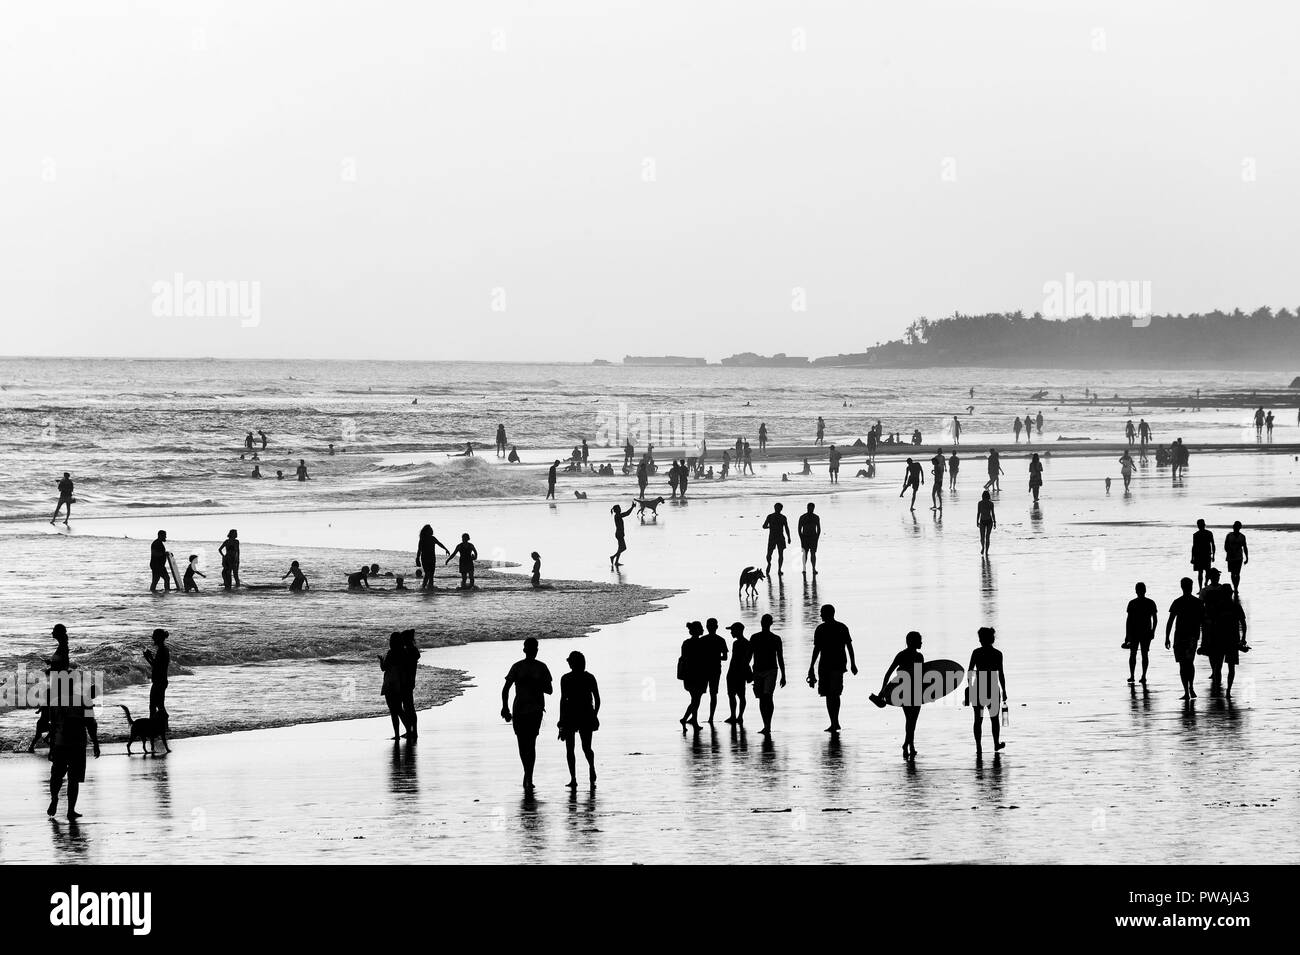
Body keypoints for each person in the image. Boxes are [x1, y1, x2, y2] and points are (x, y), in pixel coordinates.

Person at [501, 638, 553, 791]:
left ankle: (529, 776)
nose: (533, 651)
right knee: (522, 745)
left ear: (537, 650)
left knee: (531, 743)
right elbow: (506, 689)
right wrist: (505, 708)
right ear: (525, 650)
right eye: (530, 648)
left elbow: (550, 690)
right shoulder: (517, 667)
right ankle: (527, 773)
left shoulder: (542, 667)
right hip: (519, 710)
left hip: (535, 710)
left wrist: (535, 683)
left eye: (534, 648)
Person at [874, 631, 924, 760]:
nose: (921, 642)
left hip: (906, 691)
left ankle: (909, 745)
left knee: (911, 720)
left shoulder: (904, 655)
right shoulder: (917, 657)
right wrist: (882, 690)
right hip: (911, 691)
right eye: (919, 640)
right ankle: (908, 745)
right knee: (911, 720)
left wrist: (883, 689)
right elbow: (921, 677)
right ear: (912, 642)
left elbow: (888, 673)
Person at [807, 604, 857, 734]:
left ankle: (834, 722)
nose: (820, 615)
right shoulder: (839, 627)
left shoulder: (824, 629)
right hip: (830, 665)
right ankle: (834, 722)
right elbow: (849, 647)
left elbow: (848, 646)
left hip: (833, 665)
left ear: (828, 613)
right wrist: (811, 667)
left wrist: (853, 663)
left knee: (833, 694)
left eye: (822, 613)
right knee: (831, 694)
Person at [558, 651, 600, 789]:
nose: (569, 663)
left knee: (571, 748)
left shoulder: (566, 678)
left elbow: (563, 701)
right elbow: (597, 699)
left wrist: (561, 720)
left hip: (571, 714)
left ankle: (574, 778)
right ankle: (590, 768)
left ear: (573, 663)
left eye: (570, 661)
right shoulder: (589, 677)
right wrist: (594, 714)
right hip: (586, 713)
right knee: (586, 747)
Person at [965, 627, 1007, 755]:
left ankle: (978, 746)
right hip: (993, 687)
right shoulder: (998, 654)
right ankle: (996, 743)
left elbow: (970, 671)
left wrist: (970, 686)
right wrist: (1004, 690)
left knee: (978, 719)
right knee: (994, 719)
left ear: (981, 639)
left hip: (978, 686)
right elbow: (1001, 674)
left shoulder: (976, 652)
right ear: (992, 639)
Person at [1165, 577, 1204, 700]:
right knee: (1190, 663)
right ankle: (1191, 688)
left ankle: (1186, 691)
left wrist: (1167, 637)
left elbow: (1170, 621)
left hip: (1180, 637)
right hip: (1192, 637)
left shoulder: (1177, 602)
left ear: (1182, 587)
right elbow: (1204, 621)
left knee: (1183, 665)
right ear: (1191, 587)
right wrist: (1204, 639)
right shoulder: (1197, 602)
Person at [748, 614, 786, 735]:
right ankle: (766, 725)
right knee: (762, 698)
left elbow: (780, 657)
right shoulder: (756, 638)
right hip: (759, 670)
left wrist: (783, 675)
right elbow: (749, 655)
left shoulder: (774, 638)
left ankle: (767, 725)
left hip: (770, 670)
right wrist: (747, 670)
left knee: (767, 697)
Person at [1123, 582, 1158, 685]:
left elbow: (1128, 621)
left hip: (1134, 632)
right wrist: (1153, 631)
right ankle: (1143, 676)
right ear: (1145, 590)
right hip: (1146, 631)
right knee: (1144, 654)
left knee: (1133, 654)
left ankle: (1132, 676)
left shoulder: (1132, 603)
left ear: (1136, 591)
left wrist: (1127, 635)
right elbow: (1155, 620)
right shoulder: (1150, 602)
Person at [678, 621, 707, 729]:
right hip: (699, 675)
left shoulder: (686, 643)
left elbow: (683, 658)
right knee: (696, 699)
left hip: (688, 675)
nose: (703, 629)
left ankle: (693, 720)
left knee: (694, 699)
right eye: (701, 628)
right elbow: (704, 659)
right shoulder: (702, 643)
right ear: (698, 630)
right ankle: (685, 719)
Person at [700, 618, 729, 724]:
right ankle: (711, 717)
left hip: (703, 669)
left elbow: (698, 657)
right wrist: (716, 657)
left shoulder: (702, 640)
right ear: (716, 627)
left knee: (698, 694)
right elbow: (725, 657)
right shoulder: (721, 640)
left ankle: (694, 716)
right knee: (713, 694)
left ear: (707, 627)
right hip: (716, 669)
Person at [378, 632, 406, 739]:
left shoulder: (390, 654)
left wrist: (381, 660)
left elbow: (384, 668)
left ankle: (397, 735)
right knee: (399, 709)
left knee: (393, 711)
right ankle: (410, 730)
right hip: (399, 683)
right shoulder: (403, 653)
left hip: (390, 683)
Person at [723, 622, 752, 725]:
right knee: (738, 695)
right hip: (736, 672)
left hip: (736, 672)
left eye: (732, 630)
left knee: (736, 695)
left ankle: (736, 716)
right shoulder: (745, 643)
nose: (731, 632)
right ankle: (737, 716)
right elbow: (747, 660)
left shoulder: (740, 644)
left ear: (738, 631)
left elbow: (743, 660)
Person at [143, 628, 170, 721]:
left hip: (159, 681)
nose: (153, 639)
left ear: (158, 638)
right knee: (159, 705)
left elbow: (156, 666)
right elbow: (158, 665)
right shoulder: (163, 649)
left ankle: (154, 726)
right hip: (161, 681)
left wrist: (147, 657)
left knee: (153, 706)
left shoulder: (162, 650)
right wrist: (150, 657)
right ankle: (163, 726)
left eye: (154, 637)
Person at [416, 524, 451, 590]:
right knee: (427, 574)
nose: (431, 530)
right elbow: (419, 550)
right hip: (425, 558)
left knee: (431, 575)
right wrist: (417, 558)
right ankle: (423, 587)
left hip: (432, 558)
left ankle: (430, 588)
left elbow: (439, 543)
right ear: (426, 531)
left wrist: (446, 549)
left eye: (431, 529)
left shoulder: (433, 538)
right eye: (429, 530)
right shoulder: (422, 539)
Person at [762, 502, 791, 576]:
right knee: (769, 554)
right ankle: (769, 564)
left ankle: (779, 569)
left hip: (780, 537)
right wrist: (769, 527)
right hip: (772, 537)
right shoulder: (770, 516)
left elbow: (786, 528)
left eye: (778, 508)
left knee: (780, 554)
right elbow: (764, 526)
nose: (777, 509)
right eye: (776, 508)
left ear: (781, 509)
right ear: (774, 508)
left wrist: (789, 537)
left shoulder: (783, 517)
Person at [1224, 521, 1249, 593]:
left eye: (1237, 527)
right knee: (1232, 573)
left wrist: (1247, 557)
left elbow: (1245, 547)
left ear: (1239, 527)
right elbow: (1225, 546)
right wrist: (1229, 551)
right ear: (1233, 527)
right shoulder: (1229, 535)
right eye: (1235, 527)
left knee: (1237, 573)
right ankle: (1235, 586)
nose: (1236, 528)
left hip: (1239, 557)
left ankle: (1236, 587)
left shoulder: (1242, 536)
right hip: (1231, 557)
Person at [608, 502, 636, 568]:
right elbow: (627, 513)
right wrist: (632, 507)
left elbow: (626, 513)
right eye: (619, 508)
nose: (620, 509)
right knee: (623, 548)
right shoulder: (618, 515)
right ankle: (613, 557)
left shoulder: (617, 515)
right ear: (617, 510)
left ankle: (616, 562)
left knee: (620, 548)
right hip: (619, 534)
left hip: (619, 533)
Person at [797, 502, 821, 576]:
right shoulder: (802, 517)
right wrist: (801, 538)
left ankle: (813, 568)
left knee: (813, 553)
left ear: (814, 508)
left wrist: (817, 537)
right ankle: (804, 568)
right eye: (809, 508)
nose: (811, 509)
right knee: (805, 554)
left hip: (813, 537)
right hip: (805, 537)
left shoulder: (816, 517)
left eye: (812, 508)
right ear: (807, 508)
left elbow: (819, 528)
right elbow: (799, 528)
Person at [1191, 518, 1215, 589]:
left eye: (1201, 525)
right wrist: (1192, 557)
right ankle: (1201, 587)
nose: (1200, 526)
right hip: (1200, 555)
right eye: (1199, 525)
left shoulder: (1208, 533)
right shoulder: (1196, 535)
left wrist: (1213, 555)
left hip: (1205, 555)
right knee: (1201, 572)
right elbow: (1194, 547)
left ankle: (1204, 585)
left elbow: (1213, 544)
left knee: (1205, 572)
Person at [976, 490, 996, 555]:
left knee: (983, 537)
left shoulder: (983, 503)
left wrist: (977, 521)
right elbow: (992, 514)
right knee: (986, 537)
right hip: (988, 521)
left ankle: (985, 550)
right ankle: (984, 549)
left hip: (985, 521)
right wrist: (994, 522)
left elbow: (978, 513)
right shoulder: (988, 503)